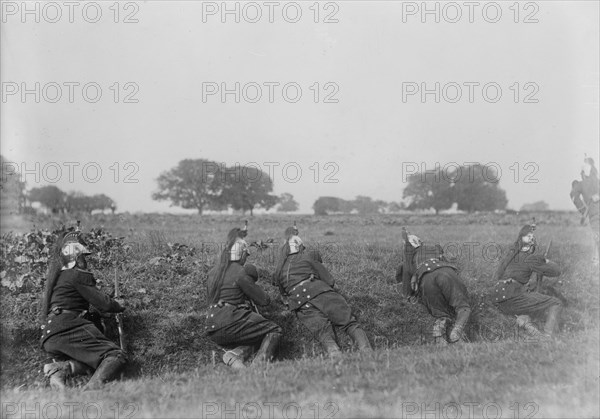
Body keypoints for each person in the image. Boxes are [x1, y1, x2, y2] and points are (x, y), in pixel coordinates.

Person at [41, 228, 127, 391]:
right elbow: (105, 304)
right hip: (67, 327)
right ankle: (89, 392)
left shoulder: (60, 277)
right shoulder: (75, 275)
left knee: (97, 362)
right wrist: (118, 304)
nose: (84, 260)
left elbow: (78, 303)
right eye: (81, 256)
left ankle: (61, 369)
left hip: (51, 334)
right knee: (116, 356)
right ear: (74, 256)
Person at [273, 226, 372, 358]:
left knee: (323, 332)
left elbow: (283, 293)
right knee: (349, 323)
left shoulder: (280, 270)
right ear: (299, 247)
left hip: (300, 304)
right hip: (320, 293)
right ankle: (367, 352)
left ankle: (335, 356)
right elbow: (330, 280)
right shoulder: (307, 258)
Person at [205, 226, 282, 369]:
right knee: (273, 330)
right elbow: (264, 300)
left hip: (212, 326)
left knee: (256, 333)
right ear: (240, 254)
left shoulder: (212, 273)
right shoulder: (240, 272)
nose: (246, 258)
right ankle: (258, 369)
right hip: (230, 321)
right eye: (246, 255)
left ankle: (235, 355)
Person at [397, 228, 472, 345]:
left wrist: (407, 295)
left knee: (441, 314)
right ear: (420, 242)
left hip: (426, 280)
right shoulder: (434, 247)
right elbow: (449, 260)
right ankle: (457, 331)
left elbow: (406, 280)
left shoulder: (409, 258)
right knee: (463, 306)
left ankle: (440, 341)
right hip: (445, 272)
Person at [492, 224, 562, 339]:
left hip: (498, 299)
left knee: (527, 302)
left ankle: (525, 323)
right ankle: (547, 336)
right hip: (513, 298)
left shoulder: (511, 253)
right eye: (528, 236)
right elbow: (556, 271)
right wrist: (546, 260)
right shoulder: (531, 258)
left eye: (532, 236)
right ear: (522, 238)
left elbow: (498, 274)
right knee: (556, 302)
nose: (531, 238)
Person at [570, 157, 600, 265]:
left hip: (594, 213)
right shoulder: (583, 184)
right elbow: (574, 195)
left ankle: (596, 260)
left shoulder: (586, 183)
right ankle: (596, 260)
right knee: (597, 236)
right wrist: (584, 211)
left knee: (597, 236)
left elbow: (573, 196)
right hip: (594, 213)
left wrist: (583, 211)